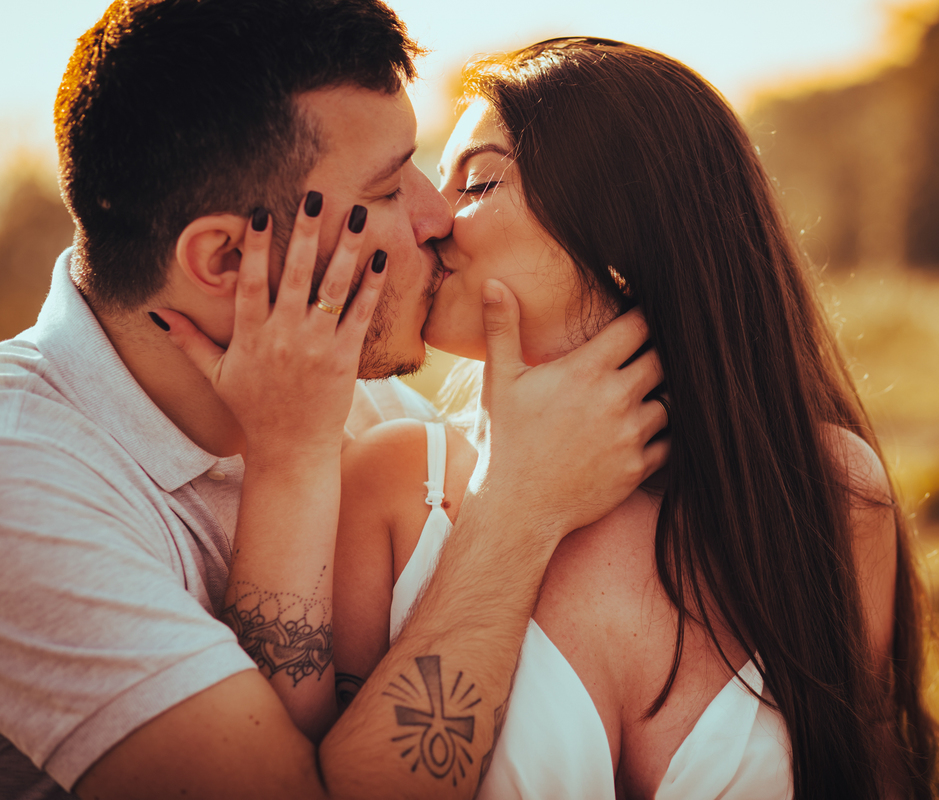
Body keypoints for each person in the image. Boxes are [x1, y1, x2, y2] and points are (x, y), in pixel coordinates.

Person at [0, 6, 667, 800]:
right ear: (222, 258)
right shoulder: (24, 479)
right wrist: (517, 507)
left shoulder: (368, 409)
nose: (435, 215)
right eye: (388, 188)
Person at [326, 39, 939, 799]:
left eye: (480, 181)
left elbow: (873, 774)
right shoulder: (397, 488)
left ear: (627, 220)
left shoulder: (825, 492)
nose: (431, 220)